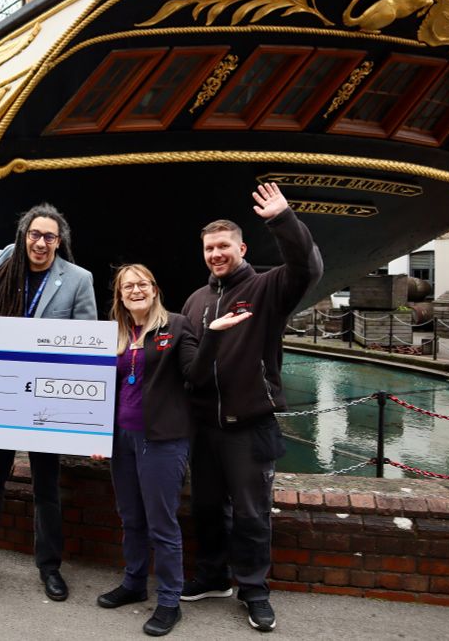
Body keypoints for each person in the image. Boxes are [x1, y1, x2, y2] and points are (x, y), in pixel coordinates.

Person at [0, 169, 97, 602]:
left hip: (44, 398)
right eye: (34, 234)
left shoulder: (78, 279)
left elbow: (86, 344)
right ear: (24, 235)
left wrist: (83, 415)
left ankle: (49, 567)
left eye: (49, 237)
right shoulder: (6, 259)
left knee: (47, 486)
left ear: (59, 242)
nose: (40, 243)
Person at [180, 182, 322, 632]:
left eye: (224, 246)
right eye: (209, 248)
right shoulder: (196, 301)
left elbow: (307, 267)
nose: (216, 254)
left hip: (249, 425)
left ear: (241, 248)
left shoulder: (266, 288)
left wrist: (283, 219)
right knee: (206, 508)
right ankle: (212, 576)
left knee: (252, 513)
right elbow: (189, 366)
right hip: (205, 426)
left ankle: (254, 590)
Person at [94, 264, 250, 636]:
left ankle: (168, 602)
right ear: (119, 296)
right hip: (121, 439)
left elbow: (196, 374)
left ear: (154, 289)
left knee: (162, 524)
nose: (135, 290)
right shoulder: (114, 332)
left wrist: (212, 336)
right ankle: (134, 583)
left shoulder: (176, 326)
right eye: (127, 286)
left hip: (162, 439)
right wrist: (94, 436)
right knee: (131, 517)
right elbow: (99, 385)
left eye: (142, 284)